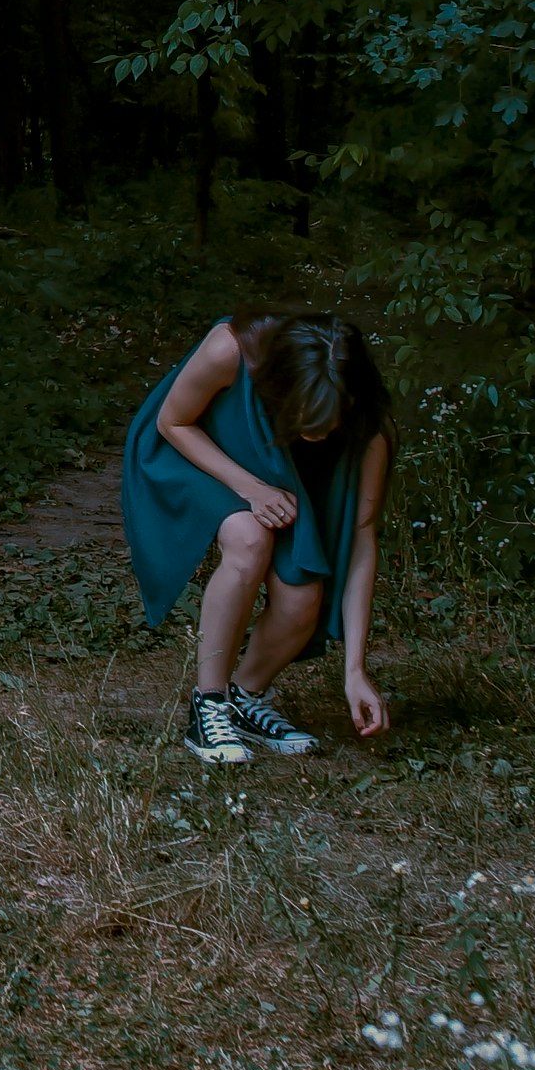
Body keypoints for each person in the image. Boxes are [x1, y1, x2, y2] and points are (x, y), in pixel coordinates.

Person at [122, 312, 397, 761]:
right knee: (249, 538)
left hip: (278, 472)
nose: (320, 431)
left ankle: (245, 698)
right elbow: (173, 424)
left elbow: (362, 543)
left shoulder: (370, 432)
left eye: (331, 419)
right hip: (194, 450)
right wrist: (249, 488)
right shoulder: (229, 349)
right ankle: (208, 704)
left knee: (301, 598)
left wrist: (355, 670)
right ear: (278, 385)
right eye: (305, 413)